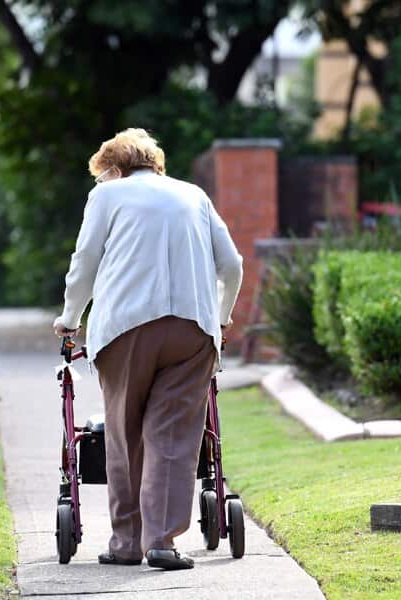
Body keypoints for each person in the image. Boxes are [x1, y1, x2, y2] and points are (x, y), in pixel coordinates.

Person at [53, 128, 243, 570]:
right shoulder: (194, 195)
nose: (101, 183)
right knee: (175, 437)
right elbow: (231, 263)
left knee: (125, 433)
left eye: (103, 175)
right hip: (193, 329)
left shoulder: (108, 196)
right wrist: (221, 316)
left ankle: (125, 543)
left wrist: (69, 318)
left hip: (125, 327)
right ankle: (162, 542)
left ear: (115, 170)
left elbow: (85, 263)